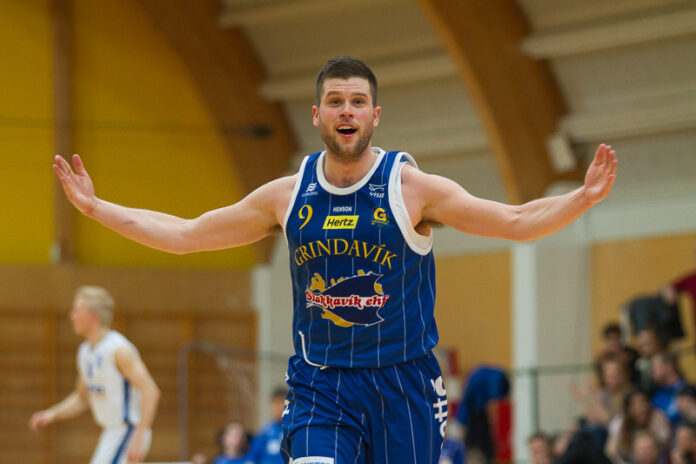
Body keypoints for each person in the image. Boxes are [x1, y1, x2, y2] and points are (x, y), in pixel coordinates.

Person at [52, 56, 618, 463]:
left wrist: (582, 199)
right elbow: (187, 234)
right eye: (335, 101)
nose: (347, 111)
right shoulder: (286, 195)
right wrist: (97, 209)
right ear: (318, 115)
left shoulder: (411, 189)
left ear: (375, 115)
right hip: (321, 381)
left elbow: (515, 221)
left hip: (404, 381)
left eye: (358, 102)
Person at [29, 286, 160, 464]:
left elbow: (151, 391)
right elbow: (82, 398)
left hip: (128, 430)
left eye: (77, 311)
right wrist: (51, 414)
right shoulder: (85, 352)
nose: (72, 316)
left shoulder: (119, 350)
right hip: (111, 432)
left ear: (93, 317)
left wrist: (140, 434)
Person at [605, 390, 670, 464]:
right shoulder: (620, 421)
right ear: (628, 408)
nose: (641, 408)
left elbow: (665, 444)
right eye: (635, 404)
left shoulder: (657, 417)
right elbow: (611, 451)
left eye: (643, 402)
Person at [246, 386, 288, 464]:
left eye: (281, 403)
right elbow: (251, 458)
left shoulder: (295, 430)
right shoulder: (264, 432)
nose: (278, 408)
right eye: (275, 404)